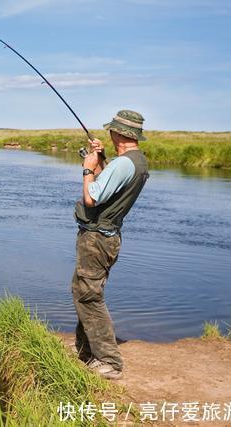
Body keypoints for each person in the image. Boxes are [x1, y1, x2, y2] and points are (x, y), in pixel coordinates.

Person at [71, 110, 149, 380]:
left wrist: (88, 166)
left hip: (98, 239)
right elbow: (108, 186)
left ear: (121, 134)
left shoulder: (124, 164)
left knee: (89, 295)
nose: (109, 133)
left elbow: (93, 197)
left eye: (112, 130)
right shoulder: (134, 161)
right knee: (83, 289)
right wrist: (101, 159)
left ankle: (109, 361)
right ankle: (85, 349)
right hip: (105, 237)